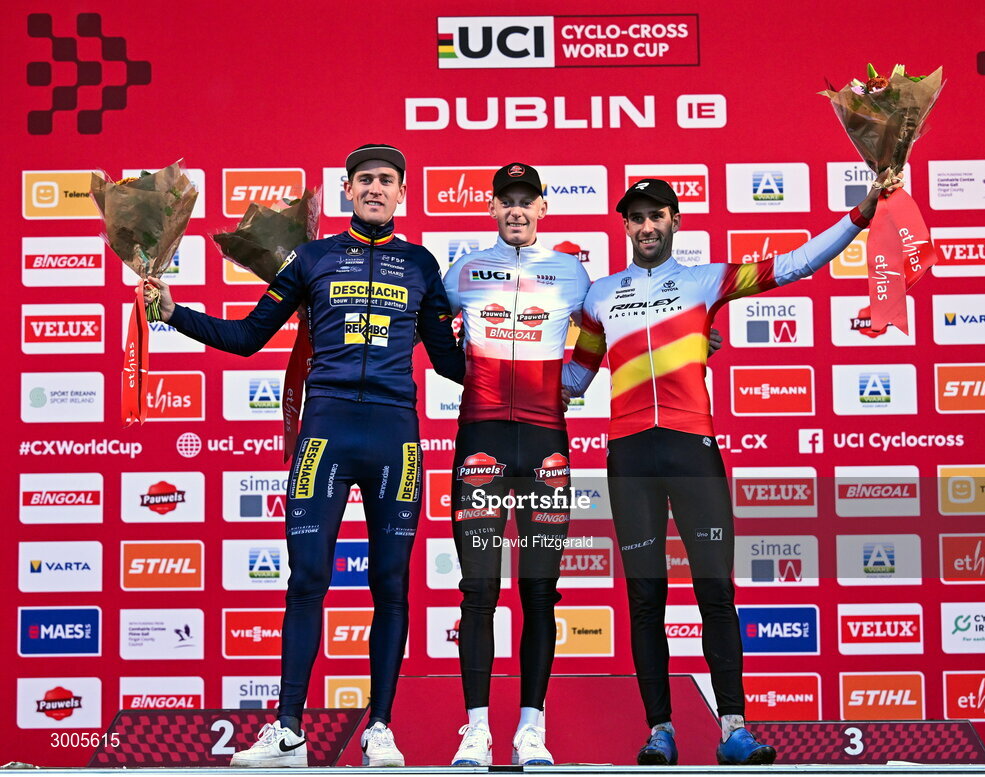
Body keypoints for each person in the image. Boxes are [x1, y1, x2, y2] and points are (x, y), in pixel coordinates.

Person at [562, 172, 902, 766]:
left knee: (716, 593)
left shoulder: (704, 280)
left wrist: (862, 213)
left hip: (694, 451)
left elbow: (793, 264)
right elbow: (571, 380)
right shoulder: (597, 296)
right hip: (631, 456)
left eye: (656, 215)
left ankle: (733, 728)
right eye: (636, 218)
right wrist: (485, 355)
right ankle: (660, 731)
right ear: (625, 226)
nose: (646, 227)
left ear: (675, 220)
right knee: (646, 599)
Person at [148, 144, 465, 768]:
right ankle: (288, 728)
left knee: (392, 585)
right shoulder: (312, 258)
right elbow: (246, 338)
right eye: (365, 180)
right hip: (326, 434)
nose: (376, 189)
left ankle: (381, 729)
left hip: (395, 437)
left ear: (403, 193)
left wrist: (525, 355)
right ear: (347, 190)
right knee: (307, 580)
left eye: (388, 181)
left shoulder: (422, 265)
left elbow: (452, 364)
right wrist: (172, 312)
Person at [441, 163, 591, 766]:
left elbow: (619, 324)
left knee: (539, 592)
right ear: (492, 208)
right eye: (507, 201)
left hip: (546, 444)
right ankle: (475, 730)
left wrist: (577, 378)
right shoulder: (465, 269)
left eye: (527, 201)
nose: (517, 211)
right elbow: (419, 319)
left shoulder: (571, 271)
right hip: (480, 438)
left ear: (544, 207)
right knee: (477, 592)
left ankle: (532, 730)